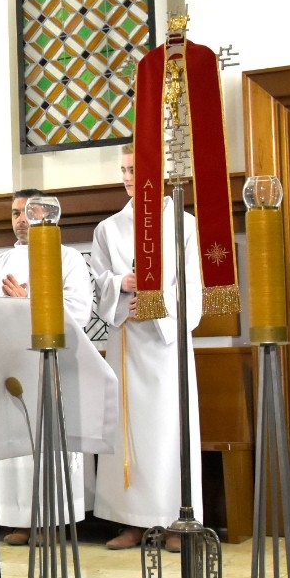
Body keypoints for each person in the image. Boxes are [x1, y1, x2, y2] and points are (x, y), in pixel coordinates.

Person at [90, 154, 203, 551]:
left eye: (134, 169)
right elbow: (98, 283)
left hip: (166, 344)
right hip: (127, 339)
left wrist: (157, 303)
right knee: (129, 431)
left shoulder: (184, 224)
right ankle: (133, 522)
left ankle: (175, 521)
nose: (127, 176)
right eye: (122, 169)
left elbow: (192, 284)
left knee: (168, 429)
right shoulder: (108, 228)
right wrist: (120, 284)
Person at [0, 189, 95, 544]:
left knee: (51, 439)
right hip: (11, 361)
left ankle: (54, 521)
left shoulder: (68, 257)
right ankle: (21, 519)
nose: (21, 220)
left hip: (54, 359)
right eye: (15, 213)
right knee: (17, 442)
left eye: (28, 212)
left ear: (48, 214)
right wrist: (9, 307)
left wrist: (29, 300)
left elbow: (80, 309)